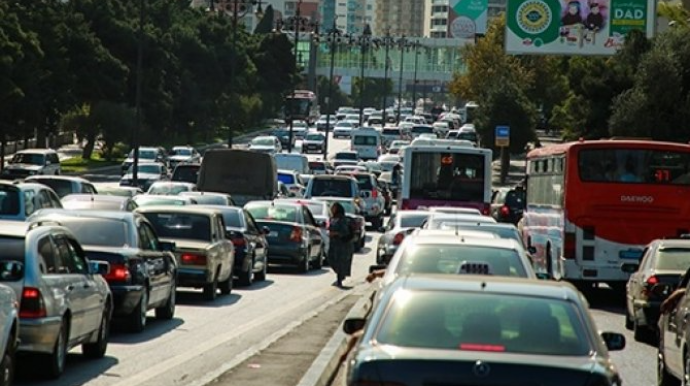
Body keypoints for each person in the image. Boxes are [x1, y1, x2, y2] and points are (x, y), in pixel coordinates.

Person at [328, 203, 354, 288]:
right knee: (331, 260)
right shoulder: (333, 219)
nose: (332, 209)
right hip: (333, 245)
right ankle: (340, 276)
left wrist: (335, 234)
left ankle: (339, 280)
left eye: (333, 208)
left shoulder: (343, 220)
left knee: (341, 263)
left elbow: (345, 232)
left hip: (343, 245)